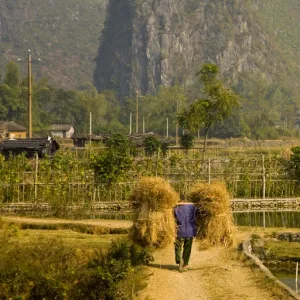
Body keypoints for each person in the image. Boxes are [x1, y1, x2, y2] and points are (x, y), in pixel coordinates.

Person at [174, 201, 198, 272]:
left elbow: (173, 219)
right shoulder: (193, 207)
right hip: (190, 231)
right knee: (187, 248)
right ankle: (184, 264)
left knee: (178, 246)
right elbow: (199, 213)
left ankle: (179, 260)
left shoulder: (176, 208)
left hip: (179, 231)